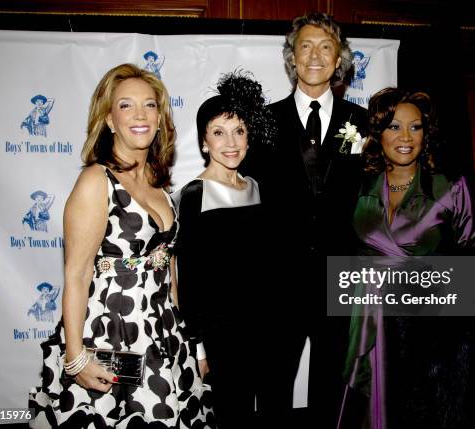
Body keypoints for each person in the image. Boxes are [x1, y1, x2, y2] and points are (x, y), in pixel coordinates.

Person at [29, 63, 214, 428]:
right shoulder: (96, 181)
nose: (140, 115)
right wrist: (75, 358)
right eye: (126, 105)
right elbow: (77, 274)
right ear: (110, 120)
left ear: (160, 118)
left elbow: (169, 272)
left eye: (149, 105)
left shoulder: (159, 184)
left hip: (164, 334)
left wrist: (194, 345)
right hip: (111, 336)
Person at [241, 11, 368, 427]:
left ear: (339, 60)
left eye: (326, 47)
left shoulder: (362, 123)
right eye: (305, 46)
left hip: (341, 276)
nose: (315, 55)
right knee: (273, 387)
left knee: (333, 387)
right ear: (291, 58)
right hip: (278, 279)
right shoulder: (262, 123)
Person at [339, 87, 475, 429]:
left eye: (415, 127)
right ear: (379, 132)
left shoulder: (450, 188)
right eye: (394, 126)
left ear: (426, 133)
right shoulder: (358, 186)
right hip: (363, 323)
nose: (405, 136)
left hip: (422, 331)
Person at [172, 71, 276, 428]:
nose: (230, 142)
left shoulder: (257, 187)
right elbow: (190, 279)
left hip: (262, 328)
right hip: (221, 335)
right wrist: (197, 346)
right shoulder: (194, 195)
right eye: (218, 132)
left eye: (239, 131)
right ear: (203, 143)